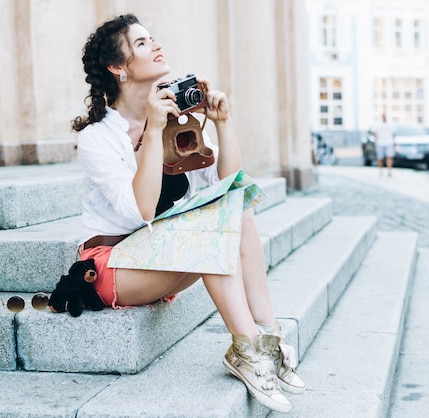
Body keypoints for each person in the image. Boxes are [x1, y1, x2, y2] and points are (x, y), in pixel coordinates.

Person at [70, 14, 304, 414]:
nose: (157, 45)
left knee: (236, 209)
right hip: (114, 266)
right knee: (209, 224)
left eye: (153, 38)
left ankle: (267, 335)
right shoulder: (97, 139)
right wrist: (153, 133)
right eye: (142, 44)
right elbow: (139, 211)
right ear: (117, 68)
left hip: (164, 253)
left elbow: (231, 188)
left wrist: (222, 123)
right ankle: (246, 350)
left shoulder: (181, 119)